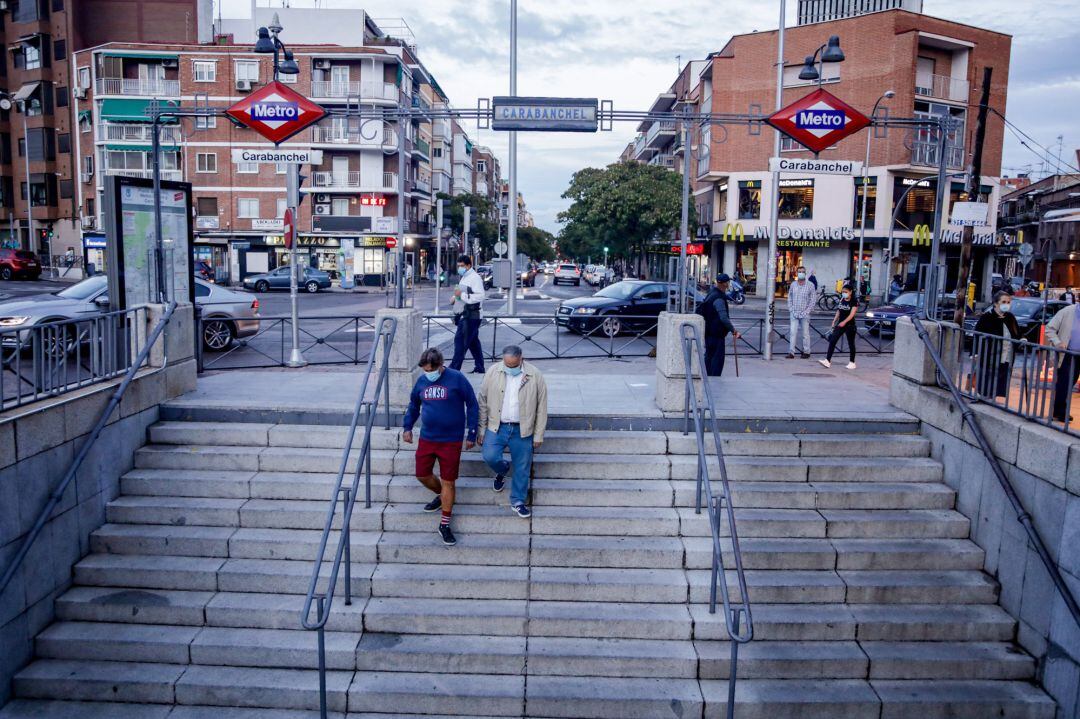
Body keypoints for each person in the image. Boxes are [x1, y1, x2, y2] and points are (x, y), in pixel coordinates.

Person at [401, 347, 479, 546]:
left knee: (449, 482)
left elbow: (472, 404)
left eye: (430, 370)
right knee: (422, 475)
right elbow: (413, 405)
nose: (428, 374)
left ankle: (444, 523)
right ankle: (441, 495)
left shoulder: (456, 378)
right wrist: (407, 426)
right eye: (425, 370)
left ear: (440, 366)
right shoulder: (422, 381)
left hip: (451, 440)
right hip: (428, 438)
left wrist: (472, 431)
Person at [477, 345, 549, 518]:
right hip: (497, 426)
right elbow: (482, 400)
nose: (509, 368)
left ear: (521, 358)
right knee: (490, 456)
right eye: (507, 365)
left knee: (523, 466)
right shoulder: (493, 371)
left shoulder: (535, 374)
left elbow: (542, 406)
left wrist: (538, 434)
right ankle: (502, 470)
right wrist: (481, 429)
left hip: (522, 429)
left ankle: (518, 501)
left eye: (513, 365)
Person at [972, 291, 1021, 399]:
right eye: (1003, 302)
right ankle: (985, 397)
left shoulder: (1010, 317)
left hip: (1006, 355)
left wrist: (1022, 339)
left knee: (1001, 377)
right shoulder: (987, 317)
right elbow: (977, 335)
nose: (1006, 304)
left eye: (1008, 302)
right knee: (988, 377)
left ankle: (993, 397)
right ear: (995, 303)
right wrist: (975, 352)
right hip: (990, 355)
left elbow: (1017, 333)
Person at [696, 273, 740, 377]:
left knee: (709, 357)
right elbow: (724, 318)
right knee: (716, 361)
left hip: (709, 332)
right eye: (728, 282)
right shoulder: (718, 298)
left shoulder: (711, 293)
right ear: (725, 284)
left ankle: (706, 380)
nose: (728, 284)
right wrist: (734, 331)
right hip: (716, 335)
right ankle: (713, 382)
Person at [449, 254, 486, 374]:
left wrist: (461, 295)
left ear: (469, 265)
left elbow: (480, 296)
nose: (460, 268)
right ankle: (480, 367)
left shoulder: (474, 278)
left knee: (460, 342)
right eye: (458, 266)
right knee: (473, 343)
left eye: (462, 266)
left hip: (471, 315)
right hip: (466, 314)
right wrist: (455, 297)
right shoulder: (464, 276)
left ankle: (453, 371)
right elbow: (460, 292)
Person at [1045, 302, 1080, 422]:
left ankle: (1059, 410)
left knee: (1072, 381)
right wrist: (1058, 342)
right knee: (1064, 383)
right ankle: (1060, 412)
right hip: (1068, 354)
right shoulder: (1067, 311)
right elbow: (1049, 328)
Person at [819, 283, 859, 370]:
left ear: (851, 292)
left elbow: (852, 314)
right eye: (843, 291)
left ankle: (852, 362)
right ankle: (827, 361)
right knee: (833, 340)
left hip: (850, 325)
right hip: (840, 324)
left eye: (846, 292)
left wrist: (844, 322)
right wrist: (834, 320)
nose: (844, 293)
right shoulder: (842, 299)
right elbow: (839, 311)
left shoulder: (854, 301)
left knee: (851, 343)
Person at [786, 268, 816, 359]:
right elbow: (789, 297)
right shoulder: (793, 284)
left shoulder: (810, 285)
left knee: (805, 334)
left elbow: (813, 300)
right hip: (794, 313)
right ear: (797, 273)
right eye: (799, 272)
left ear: (805, 273)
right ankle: (791, 352)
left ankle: (806, 352)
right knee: (792, 333)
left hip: (805, 313)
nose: (801, 273)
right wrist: (791, 309)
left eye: (803, 272)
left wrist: (807, 312)